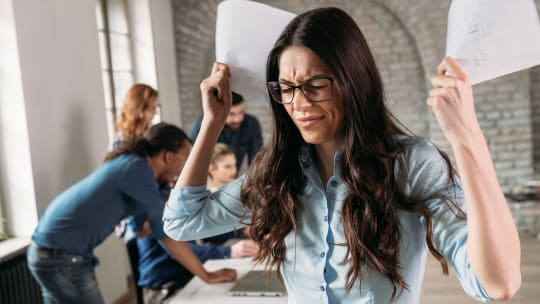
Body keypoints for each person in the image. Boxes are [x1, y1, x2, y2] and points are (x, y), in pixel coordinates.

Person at [162, 7, 521, 304]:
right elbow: (182, 222)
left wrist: (467, 136)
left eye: (315, 85)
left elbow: (496, 284)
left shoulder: (410, 164)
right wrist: (212, 123)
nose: (299, 104)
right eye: (286, 88)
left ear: (353, 81)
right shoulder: (277, 172)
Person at [27, 123, 236, 304]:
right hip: (61, 257)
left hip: (48, 253)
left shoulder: (134, 166)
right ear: (168, 156)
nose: (189, 165)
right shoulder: (137, 169)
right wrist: (206, 275)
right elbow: (165, 233)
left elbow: (142, 229)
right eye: (187, 158)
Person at [189, 91, 262, 170]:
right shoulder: (204, 125)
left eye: (241, 112)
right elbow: (193, 160)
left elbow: (255, 157)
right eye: (231, 114)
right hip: (208, 176)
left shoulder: (251, 123)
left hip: (232, 177)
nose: (237, 119)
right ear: (219, 110)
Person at [113, 83, 159, 148]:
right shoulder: (121, 141)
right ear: (140, 110)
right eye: (152, 108)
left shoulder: (148, 135)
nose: (155, 113)